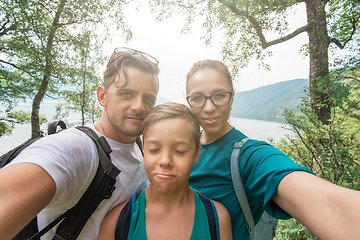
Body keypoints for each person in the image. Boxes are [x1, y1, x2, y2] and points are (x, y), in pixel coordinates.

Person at [185, 59, 360, 240]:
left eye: (219, 95)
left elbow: (331, 208)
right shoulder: (181, 148)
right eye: (197, 98)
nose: (208, 108)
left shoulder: (247, 156)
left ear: (232, 97)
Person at [0, 47, 160, 240]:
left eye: (148, 98)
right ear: (102, 96)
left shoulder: (138, 147)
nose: (139, 106)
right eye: (126, 94)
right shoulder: (77, 148)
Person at [97, 102, 232, 240]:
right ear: (144, 150)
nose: (165, 161)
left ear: (196, 154)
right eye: (154, 149)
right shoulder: (116, 224)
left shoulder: (217, 220)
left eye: (180, 151)